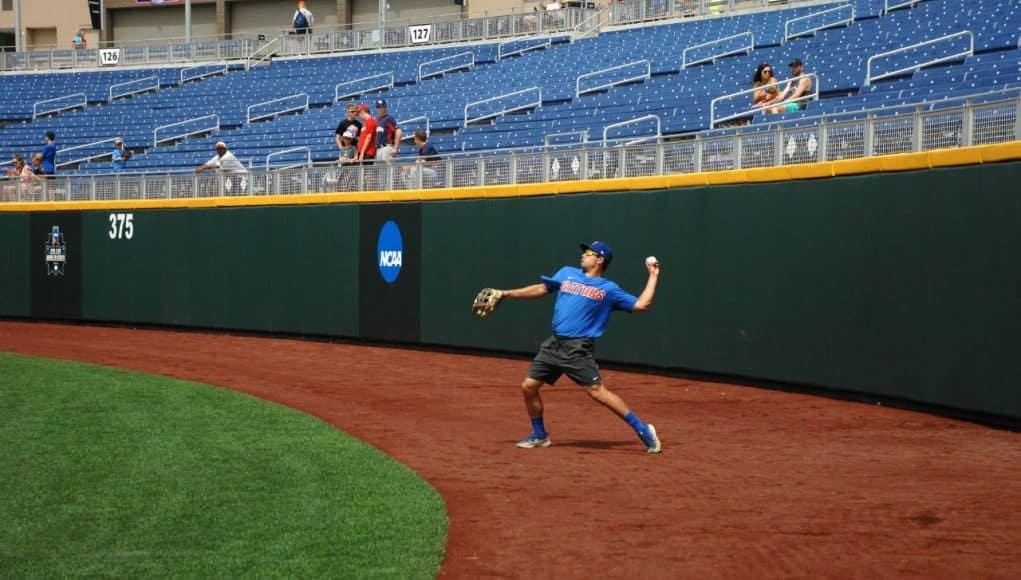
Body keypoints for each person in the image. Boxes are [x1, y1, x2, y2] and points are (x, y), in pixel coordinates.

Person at [480, 241, 663, 453]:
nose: (583, 255)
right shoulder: (567, 273)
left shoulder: (608, 289)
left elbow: (642, 304)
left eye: (588, 252)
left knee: (597, 392)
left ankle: (643, 430)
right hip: (554, 344)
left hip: (578, 348)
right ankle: (539, 435)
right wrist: (505, 293)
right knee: (528, 387)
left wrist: (653, 276)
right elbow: (542, 288)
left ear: (600, 259)